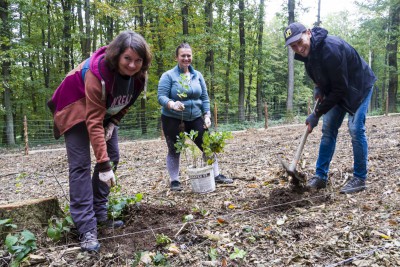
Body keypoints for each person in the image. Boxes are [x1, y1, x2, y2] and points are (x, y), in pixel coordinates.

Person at [47, 30, 152, 252]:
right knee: (81, 165)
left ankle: (100, 214)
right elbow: (93, 122)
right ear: (117, 56)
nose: (132, 65)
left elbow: (125, 104)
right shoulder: (97, 75)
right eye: (127, 59)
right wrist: (102, 165)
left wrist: (113, 122)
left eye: (138, 60)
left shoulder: (139, 77)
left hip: (102, 110)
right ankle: (86, 227)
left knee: (112, 156)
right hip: (74, 106)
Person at [283, 22, 376, 194]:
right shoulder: (307, 53)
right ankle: (320, 176)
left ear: (308, 33)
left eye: (299, 41)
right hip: (339, 88)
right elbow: (321, 75)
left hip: (358, 87)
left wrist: (316, 114)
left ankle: (360, 178)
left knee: (356, 129)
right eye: (293, 46)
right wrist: (319, 87)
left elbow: (340, 89)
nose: (298, 47)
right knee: (328, 129)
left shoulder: (330, 49)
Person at [157, 43, 233, 191]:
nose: (186, 58)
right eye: (183, 55)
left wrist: (207, 115)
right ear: (176, 57)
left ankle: (216, 175)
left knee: (208, 146)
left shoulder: (197, 75)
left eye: (189, 55)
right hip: (173, 118)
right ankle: (175, 181)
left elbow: (204, 97)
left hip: (196, 117)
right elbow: (161, 97)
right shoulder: (168, 76)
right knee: (174, 149)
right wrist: (172, 104)